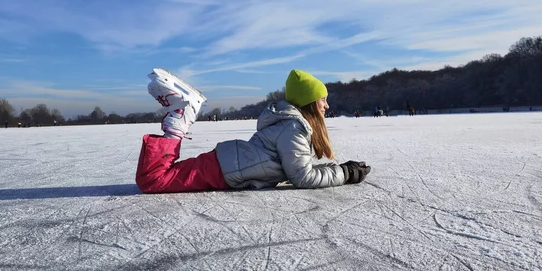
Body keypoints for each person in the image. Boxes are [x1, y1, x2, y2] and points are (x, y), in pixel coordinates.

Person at [135, 68, 371, 193]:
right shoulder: (294, 127)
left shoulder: (292, 124)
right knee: (153, 180)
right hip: (225, 170)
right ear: (310, 102)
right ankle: (180, 115)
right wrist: (345, 174)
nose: (327, 106)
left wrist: (339, 168)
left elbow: (298, 167)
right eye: (323, 100)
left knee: (157, 178)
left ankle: (179, 118)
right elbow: (302, 177)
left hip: (228, 164)